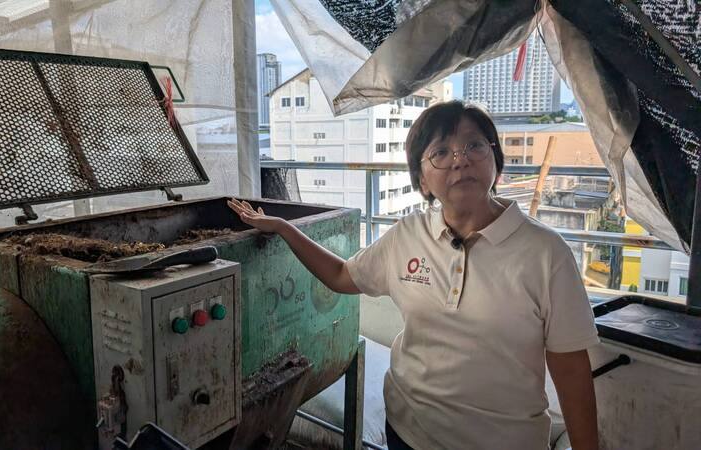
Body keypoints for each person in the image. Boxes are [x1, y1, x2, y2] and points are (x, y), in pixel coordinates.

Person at [228, 100, 599, 450]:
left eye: (474, 146)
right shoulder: (408, 235)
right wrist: (283, 228)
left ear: (495, 163)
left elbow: (571, 369)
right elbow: (342, 275)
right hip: (409, 431)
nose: (460, 160)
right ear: (422, 181)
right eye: (441, 152)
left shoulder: (546, 252)